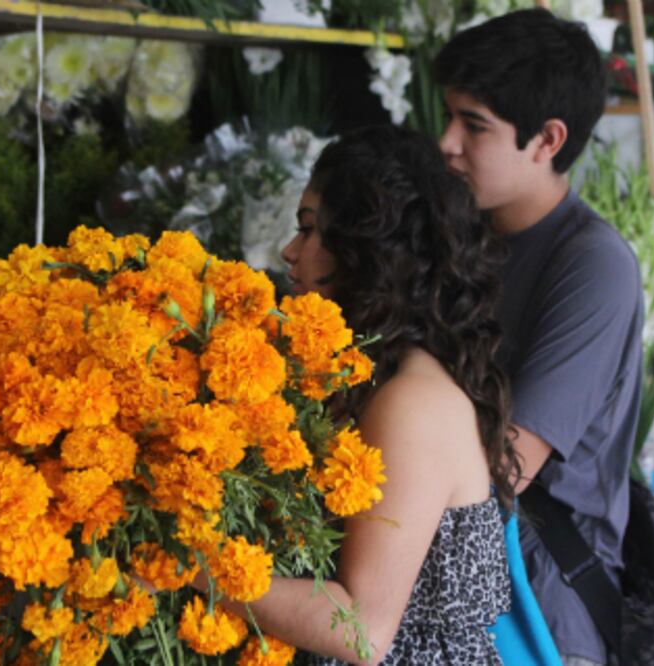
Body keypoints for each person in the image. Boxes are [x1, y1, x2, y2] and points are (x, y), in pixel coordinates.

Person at [208, 125, 516, 664]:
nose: (289, 251)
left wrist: (191, 567)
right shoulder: (369, 379)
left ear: (365, 249)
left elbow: (362, 629)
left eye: (308, 230)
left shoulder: (412, 402)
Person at [434, 9, 645, 666]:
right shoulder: (461, 239)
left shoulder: (591, 265)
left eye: (474, 125)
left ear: (546, 139)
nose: (446, 143)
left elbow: (510, 465)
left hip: (538, 611)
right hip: (460, 583)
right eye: (448, 117)